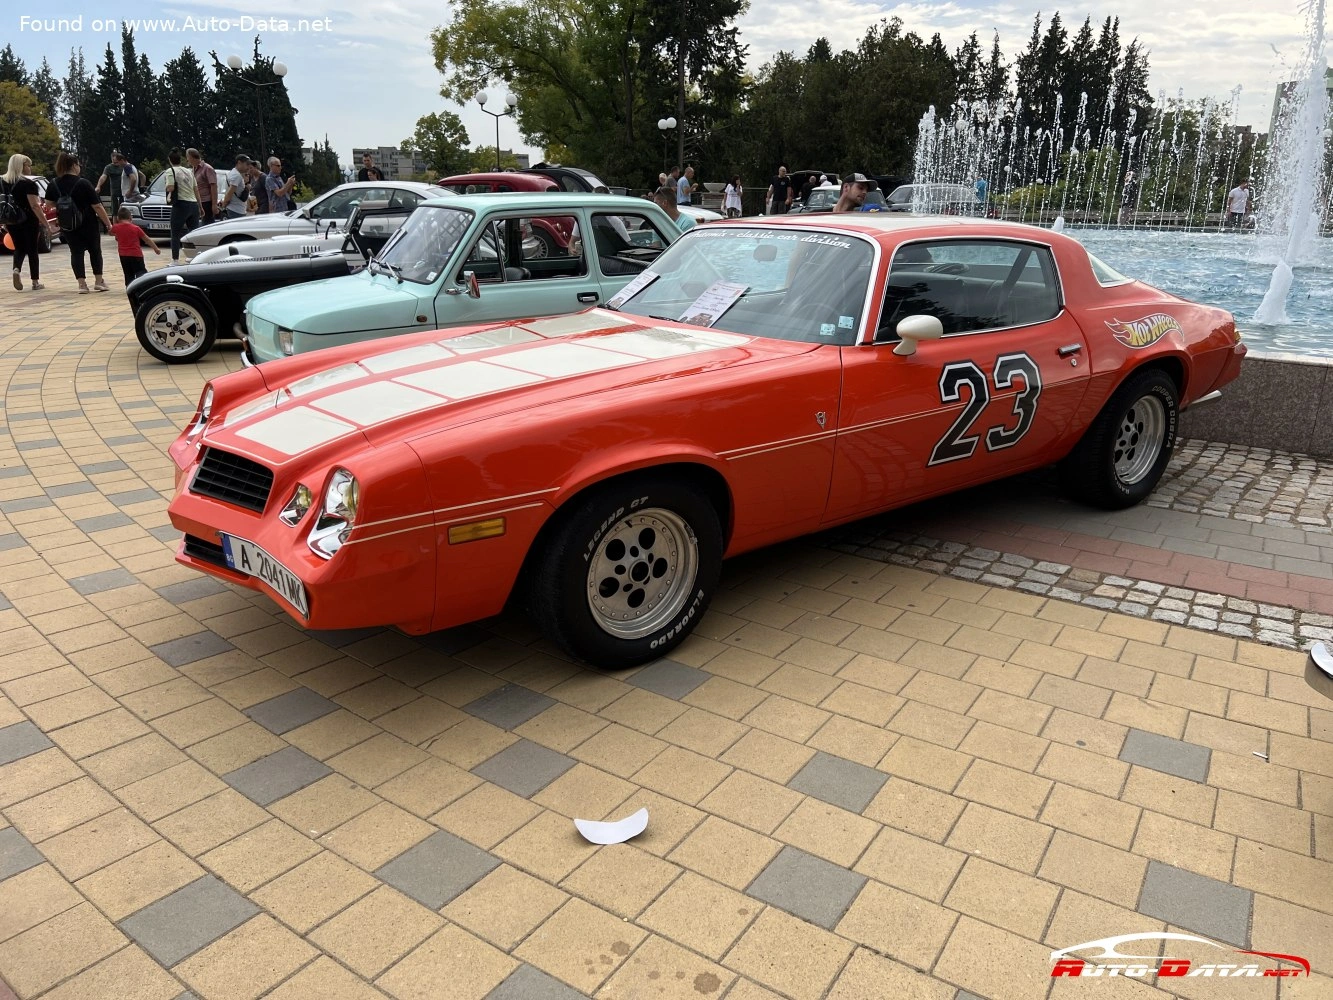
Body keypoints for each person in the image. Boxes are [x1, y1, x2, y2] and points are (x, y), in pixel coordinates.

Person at [46, 150, 113, 292]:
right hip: (88, 223)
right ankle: (99, 281)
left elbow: (49, 203)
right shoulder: (83, 183)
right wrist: (108, 223)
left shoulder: (54, 183)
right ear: (74, 165)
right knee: (95, 251)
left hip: (68, 224)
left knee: (76, 253)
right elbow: (97, 206)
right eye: (79, 165)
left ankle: (82, 284)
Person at [2, 153, 52, 291]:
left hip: (11, 219)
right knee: (32, 250)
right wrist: (45, 223)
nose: (30, 168)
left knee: (18, 247)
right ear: (21, 166)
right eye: (28, 165)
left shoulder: (2, 182)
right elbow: (34, 206)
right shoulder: (28, 184)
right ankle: (35, 282)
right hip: (28, 219)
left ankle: (16, 269)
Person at [163, 148, 199, 262]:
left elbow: (171, 187)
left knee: (175, 233)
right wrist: (200, 205)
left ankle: (175, 260)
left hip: (181, 204)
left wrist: (166, 188)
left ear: (170, 160)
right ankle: (195, 258)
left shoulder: (170, 171)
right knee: (193, 233)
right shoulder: (189, 171)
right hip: (193, 204)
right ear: (180, 160)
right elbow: (196, 189)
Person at [109, 206, 161, 285]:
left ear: (118, 219)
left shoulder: (116, 227)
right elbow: (146, 239)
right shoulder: (136, 228)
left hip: (123, 255)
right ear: (130, 217)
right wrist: (156, 248)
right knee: (141, 272)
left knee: (128, 273)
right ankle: (143, 285)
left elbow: (111, 233)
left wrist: (112, 229)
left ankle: (130, 287)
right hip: (136, 254)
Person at [94, 150, 137, 215]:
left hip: (126, 192)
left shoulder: (126, 166)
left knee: (124, 210)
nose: (116, 164)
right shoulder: (109, 167)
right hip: (115, 191)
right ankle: (115, 224)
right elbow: (103, 176)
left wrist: (138, 187)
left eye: (117, 162)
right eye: (114, 162)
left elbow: (137, 176)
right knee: (115, 211)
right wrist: (98, 186)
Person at [188, 148, 219, 225]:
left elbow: (214, 186)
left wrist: (214, 205)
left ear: (192, 157)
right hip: (198, 202)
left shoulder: (207, 168)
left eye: (187, 157)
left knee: (208, 224)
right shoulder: (193, 170)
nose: (187, 160)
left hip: (206, 202)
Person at [219, 154, 251, 219]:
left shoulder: (233, 173)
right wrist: (224, 205)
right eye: (246, 164)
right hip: (236, 210)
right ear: (239, 163)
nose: (248, 167)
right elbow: (230, 193)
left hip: (235, 209)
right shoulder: (237, 176)